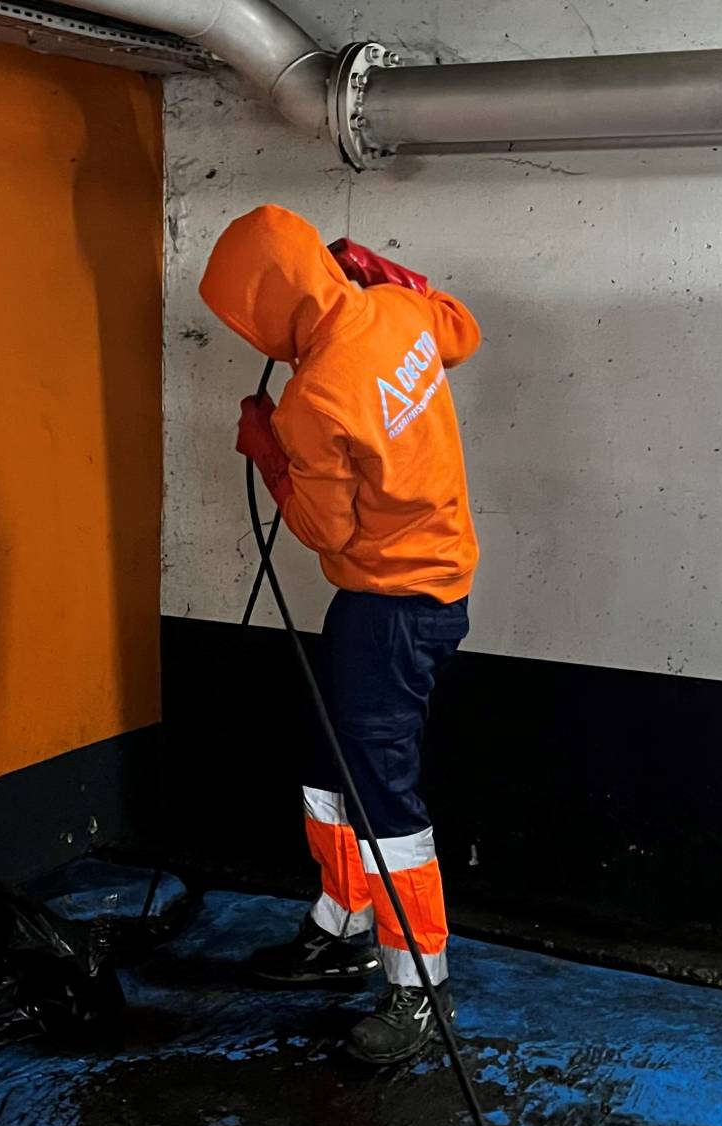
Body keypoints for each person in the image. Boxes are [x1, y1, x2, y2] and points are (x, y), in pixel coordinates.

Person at [198, 203, 482, 1065]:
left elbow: (322, 529)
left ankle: (418, 985)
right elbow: (461, 332)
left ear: (266, 308)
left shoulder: (314, 399)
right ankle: (345, 921)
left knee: (381, 791)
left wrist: (268, 452)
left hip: (393, 603)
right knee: (331, 762)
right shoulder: (393, 314)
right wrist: (393, 276)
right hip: (417, 594)